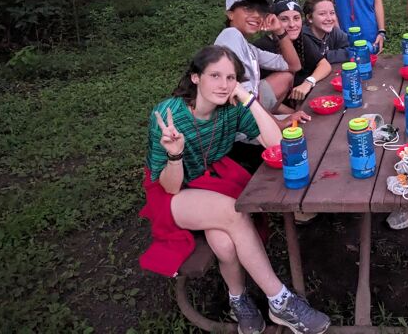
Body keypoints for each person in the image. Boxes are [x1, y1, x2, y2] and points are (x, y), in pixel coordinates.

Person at [140, 46, 331, 334]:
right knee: (233, 213)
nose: (223, 84)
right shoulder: (168, 115)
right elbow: (170, 186)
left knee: (225, 241)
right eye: (214, 75)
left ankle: (237, 300)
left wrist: (249, 100)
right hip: (170, 189)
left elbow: (277, 145)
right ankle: (279, 300)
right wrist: (175, 154)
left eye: (231, 78)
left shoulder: (231, 109)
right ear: (195, 78)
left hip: (210, 179)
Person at [215, 0, 301, 114]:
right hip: (234, 114)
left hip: (247, 106)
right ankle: (264, 124)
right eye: (248, 9)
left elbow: (293, 66)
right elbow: (239, 93)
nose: (256, 15)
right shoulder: (230, 35)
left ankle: (269, 119)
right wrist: (279, 124)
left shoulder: (249, 48)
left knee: (286, 76)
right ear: (230, 14)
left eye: (261, 11)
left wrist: (279, 31)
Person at [255, 0, 333, 105]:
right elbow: (261, 98)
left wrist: (308, 82)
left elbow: (324, 65)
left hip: (305, 102)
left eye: (296, 18)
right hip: (275, 112)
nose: (292, 25)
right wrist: (293, 113)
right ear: (273, 21)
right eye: (284, 19)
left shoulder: (301, 39)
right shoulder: (262, 47)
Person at [301, 0, 351, 64]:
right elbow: (313, 61)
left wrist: (327, 55)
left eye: (332, 13)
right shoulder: (303, 37)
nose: (329, 18)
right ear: (309, 17)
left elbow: (354, 49)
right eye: (322, 14)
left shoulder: (333, 31)